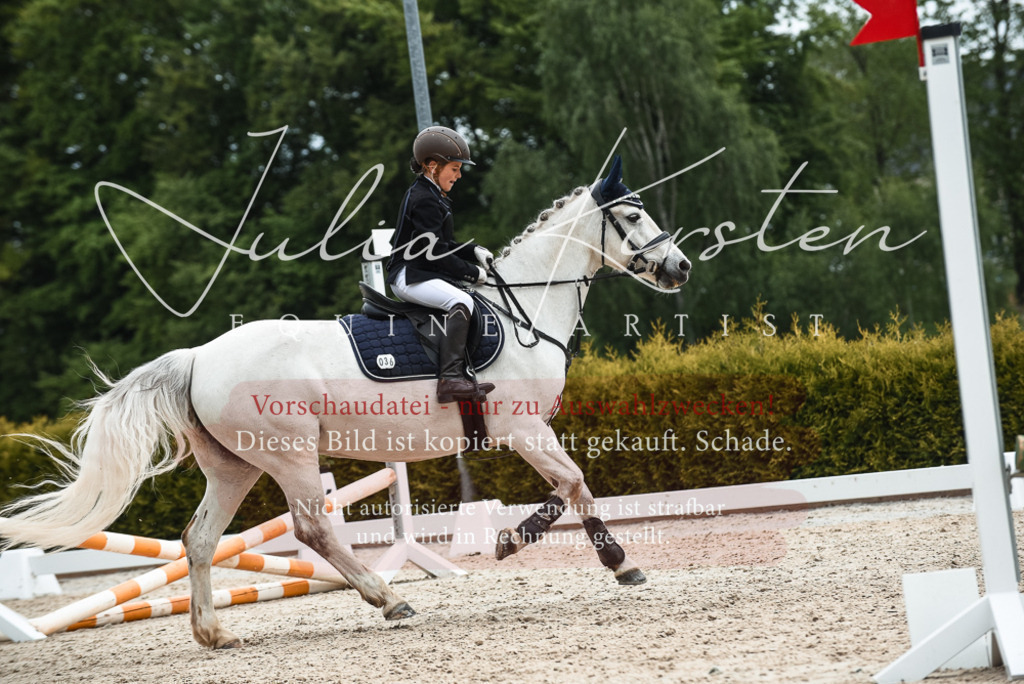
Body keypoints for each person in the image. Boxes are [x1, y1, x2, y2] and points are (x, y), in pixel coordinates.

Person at [386, 125, 496, 404]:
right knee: (462, 301)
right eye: (455, 169)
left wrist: (473, 251)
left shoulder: (432, 194)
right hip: (409, 275)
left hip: (421, 271)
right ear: (432, 166)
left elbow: (442, 244)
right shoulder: (424, 199)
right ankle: (450, 380)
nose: (458, 176)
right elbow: (434, 253)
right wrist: (472, 273)